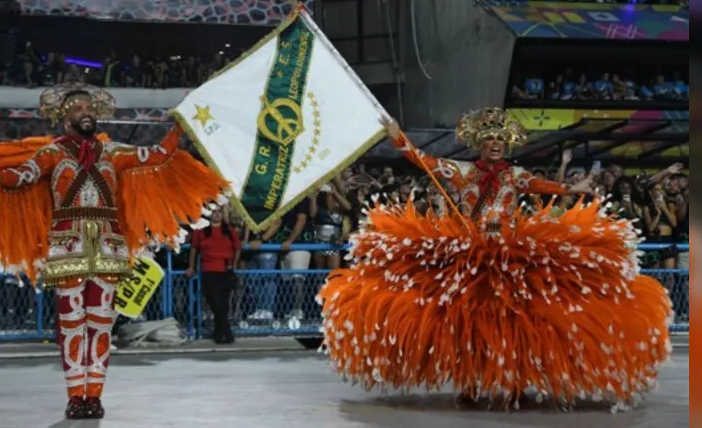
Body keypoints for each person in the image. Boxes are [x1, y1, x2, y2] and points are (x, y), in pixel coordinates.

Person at [318, 108, 673, 410]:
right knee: (466, 325)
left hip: (509, 258)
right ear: (480, 145)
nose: (496, 143)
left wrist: (571, 189)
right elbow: (423, 162)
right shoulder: (462, 172)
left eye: (501, 140)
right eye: (489, 140)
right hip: (471, 259)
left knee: (517, 322)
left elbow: (541, 185)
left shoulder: (515, 175)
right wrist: (397, 136)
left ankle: (515, 383)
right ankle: (471, 385)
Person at [0, 83, 226, 420]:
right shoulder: (52, 153)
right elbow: (21, 176)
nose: (86, 113)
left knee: (100, 323)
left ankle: (94, 395)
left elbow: (158, 154)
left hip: (108, 246)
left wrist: (179, 125)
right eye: (78, 108)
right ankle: (74, 395)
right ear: (64, 117)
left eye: (89, 108)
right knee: (71, 322)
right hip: (68, 246)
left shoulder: (113, 153)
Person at [186, 206, 241, 344]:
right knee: (216, 302)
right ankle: (227, 332)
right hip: (209, 270)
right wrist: (191, 266)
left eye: (219, 212)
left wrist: (234, 265)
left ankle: (219, 335)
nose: (217, 215)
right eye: (214, 212)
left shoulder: (229, 231)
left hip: (225, 270)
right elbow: (194, 249)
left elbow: (237, 248)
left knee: (223, 304)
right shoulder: (201, 231)